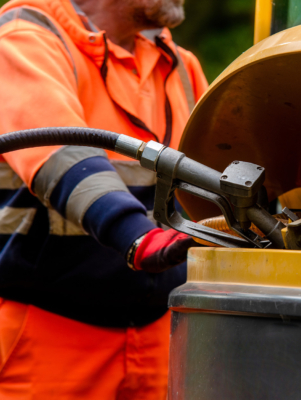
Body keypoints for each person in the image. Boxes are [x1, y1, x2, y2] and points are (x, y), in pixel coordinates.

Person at [0, 0, 208, 398]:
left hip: (163, 330)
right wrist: (135, 234)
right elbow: (60, 154)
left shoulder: (180, 65)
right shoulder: (24, 38)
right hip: (47, 336)